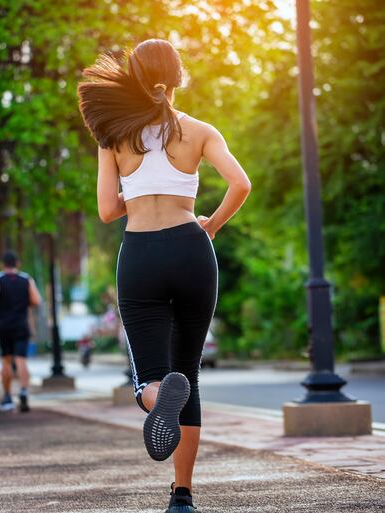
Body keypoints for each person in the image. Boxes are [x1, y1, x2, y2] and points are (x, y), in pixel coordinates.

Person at [77, 39, 251, 513]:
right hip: (193, 250)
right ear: (179, 77)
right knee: (189, 374)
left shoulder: (113, 136)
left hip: (142, 256)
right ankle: (182, 496)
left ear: (133, 79)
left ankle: (155, 395)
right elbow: (241, 184)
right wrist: (210, 226)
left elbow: (108, 210)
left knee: (151, 377)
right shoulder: (199, 131)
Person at [0, 250, 42, 413]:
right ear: (17, 263)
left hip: (3, 323)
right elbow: (36, 300)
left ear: (2, 265)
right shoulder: (26, 279)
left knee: (6, 360)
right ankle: (24, 392)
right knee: (21, 360)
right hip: (21, 324)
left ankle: (7, 397)